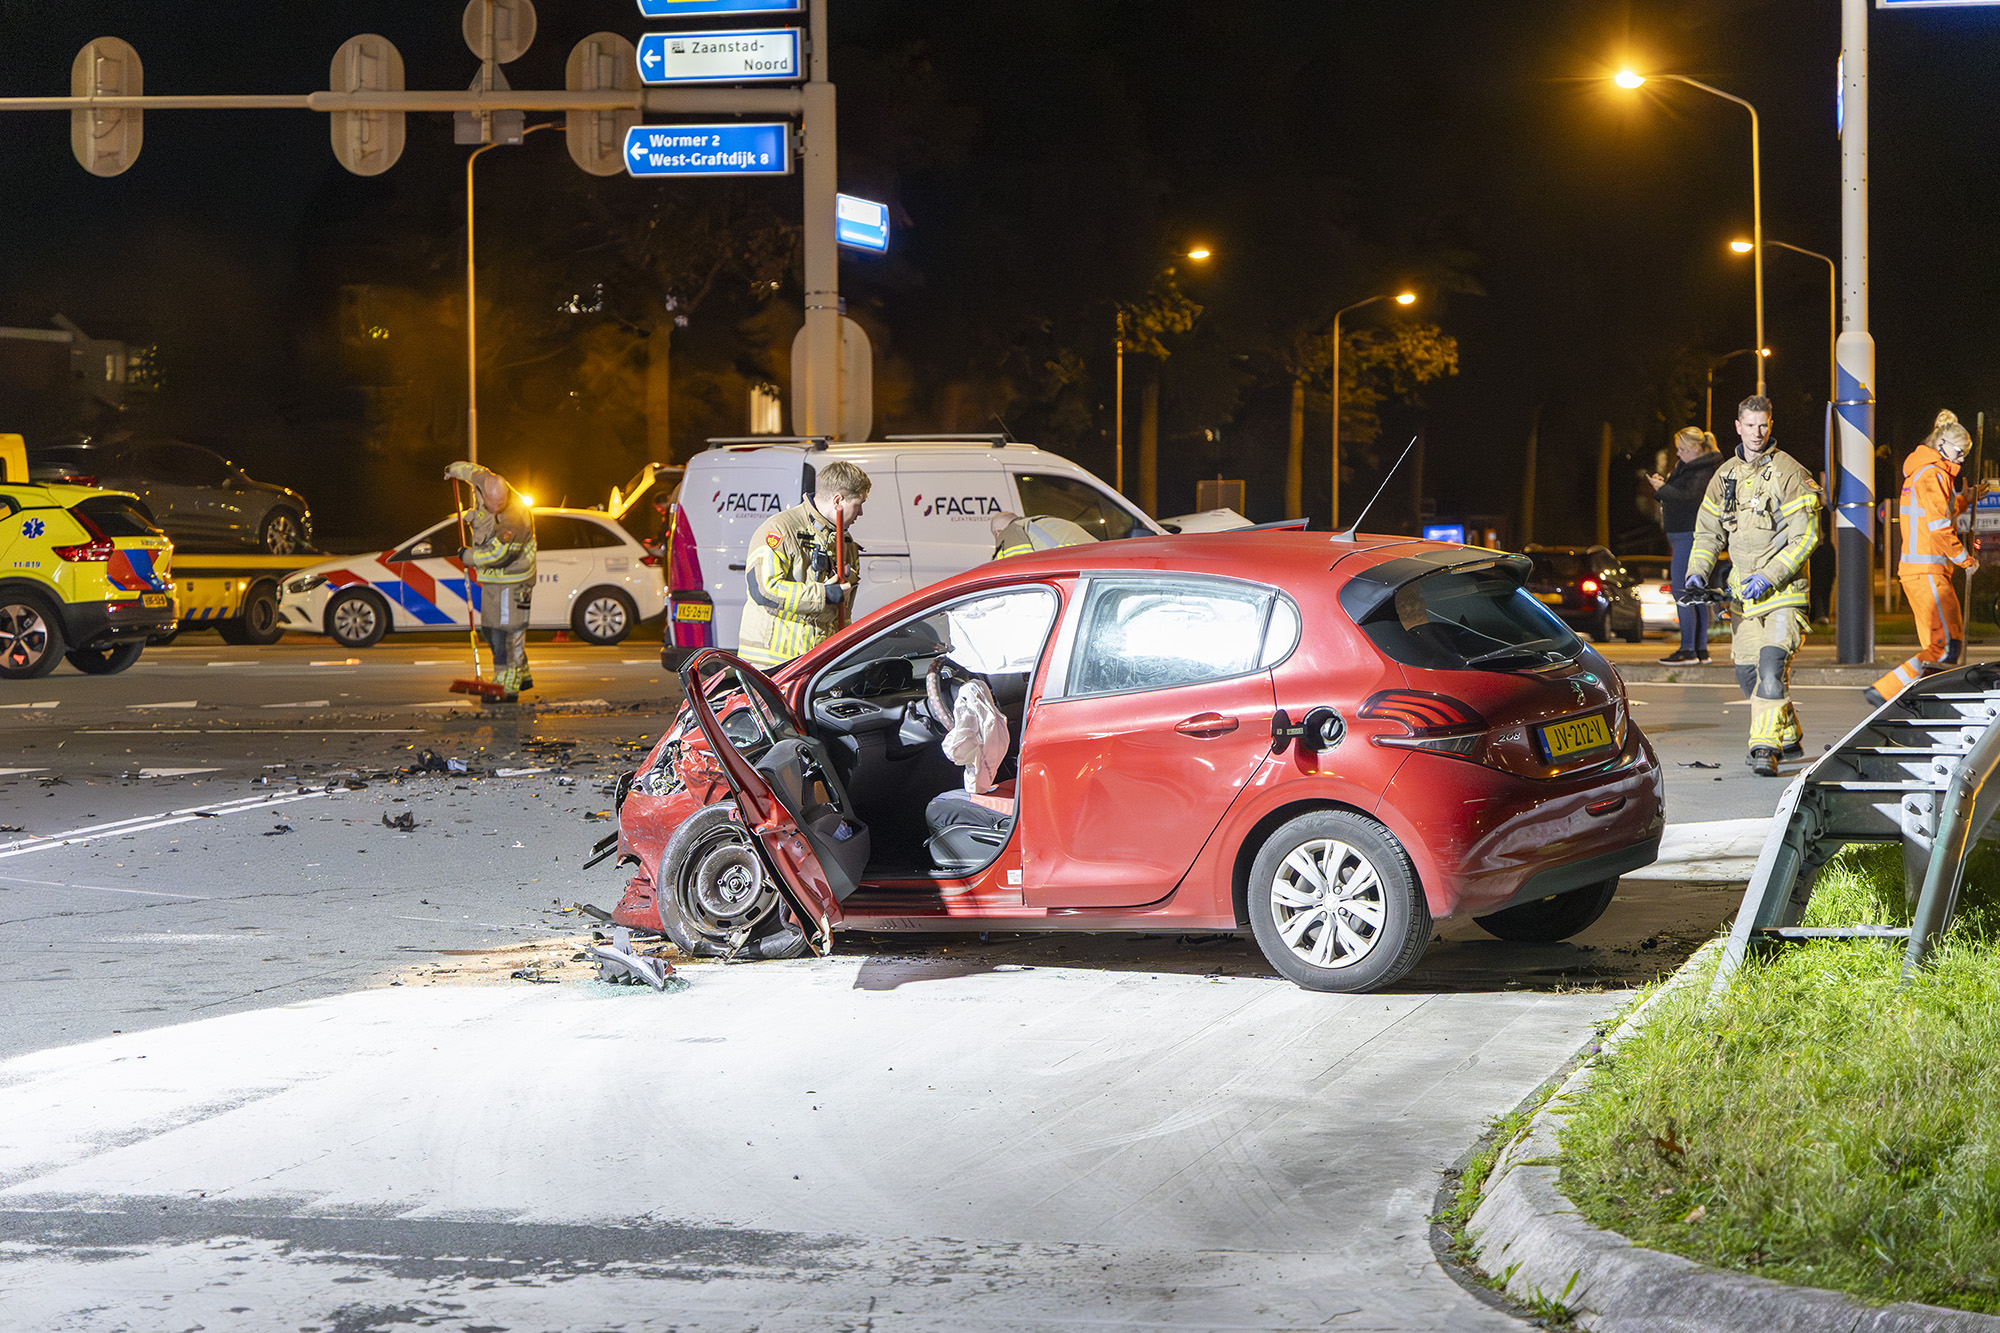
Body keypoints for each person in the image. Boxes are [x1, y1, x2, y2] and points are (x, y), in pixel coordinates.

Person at [1686, 395, 1822, 777]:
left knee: (1770, 669)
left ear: (1770, 425)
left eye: (1763, 425)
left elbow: (1807, 537)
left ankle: (1764, 748)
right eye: (1750, 425)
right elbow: (1707, 532)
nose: (1757, 432)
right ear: (1738, 427)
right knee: (1749, 677)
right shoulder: (1724, 475)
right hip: (1743, 598)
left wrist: (1770, 575)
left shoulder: (1791, 473)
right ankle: (1790, 735)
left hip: (1784, 595)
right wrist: (1697, 571)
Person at [1868, 411, 1980, 705]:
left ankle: (1918, 699)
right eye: (1960, 451)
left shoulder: (1924, 472)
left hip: (1923, 571)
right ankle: (1887, 691)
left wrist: (1964, 500)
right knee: (1945, 646)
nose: (1962, 458)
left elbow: (1936, 512)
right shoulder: (1932, 474)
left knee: (1941, 645)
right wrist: (1965, 559)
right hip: (1927, 570)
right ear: (1942, 444)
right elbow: (1939, 525)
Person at [738, 460, 869, 669]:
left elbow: (843, 615)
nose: (861, 513)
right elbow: (763, 590)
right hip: (772, 665)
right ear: (838, 501)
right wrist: (824, 595)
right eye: (858, 504)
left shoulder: (845, 545)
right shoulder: (780, 530)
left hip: (816, 664)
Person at [444, 460, 537, 702]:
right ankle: (521, 672)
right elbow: (468, 471)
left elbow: (499, 555)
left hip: (514, 579)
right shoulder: (484, 479)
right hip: (493, 581)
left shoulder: (516, 518)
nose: (496, 509)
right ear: (484, 492)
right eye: (491, 505)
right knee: (490, 629)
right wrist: (452, 470)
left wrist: (469, 556)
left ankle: (508, 684)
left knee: (507, 631)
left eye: (500, 505)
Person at [1647, 426, 1725, 663]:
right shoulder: (1690, 467)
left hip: (1689, 537)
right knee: (1695, 593)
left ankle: (1688, 649)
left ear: (1693, 449)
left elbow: (1692, 500)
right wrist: (1666, 485)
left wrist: (1663, 490)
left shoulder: (1704, 470)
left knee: (1682, 592)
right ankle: (1699, 650)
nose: (1678, 454)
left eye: (1682, 449)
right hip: (1684, 536)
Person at [989, 511, 1098, 559]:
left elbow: (1015, 569)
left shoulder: (1010, 531)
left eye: (996, 533)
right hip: (1100, 565)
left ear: (999, 532)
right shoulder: (1044, 521)